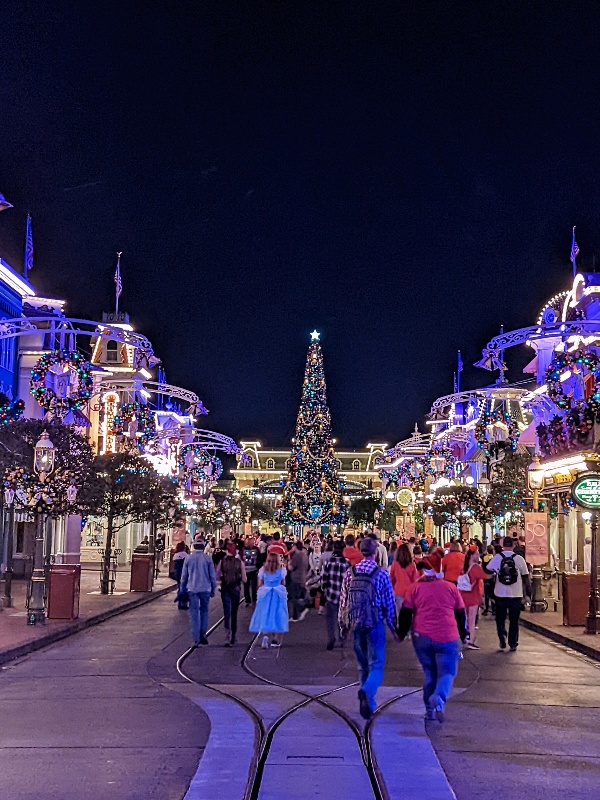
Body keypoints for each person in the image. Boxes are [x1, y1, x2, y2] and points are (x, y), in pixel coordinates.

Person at [397, 551, 467, 722]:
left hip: (422, 636)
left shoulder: (414, 588)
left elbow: (405, 614)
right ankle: (439, 698)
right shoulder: (450, 588)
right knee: (448, 672)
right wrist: (464, 634)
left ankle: (429, 710)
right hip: (447, 637)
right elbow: (460, 614)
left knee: (430, 673)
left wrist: (401, 633)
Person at [339, 537, 397, 720]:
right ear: (375, 552)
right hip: (375, 623)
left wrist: (343, 625)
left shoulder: (350, 572)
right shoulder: (381, 574)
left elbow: (344, 601)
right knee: (377, 664)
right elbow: (389, 604)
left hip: (356, 623)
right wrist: (394, 628)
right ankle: (367, 692)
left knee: (362, 666)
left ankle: (368, 702)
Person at [484, 536, 530, 651]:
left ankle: (502, 636)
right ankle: (513, 642)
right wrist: (527, 594)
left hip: (500, 593)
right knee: (514, 620)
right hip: (516, 594)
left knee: (500, 617)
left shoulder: (498, 557)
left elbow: (488, 569)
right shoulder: (519, 559)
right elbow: (526, 577)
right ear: (513, 545)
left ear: (503, 545)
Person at [180, 539, 217, 646]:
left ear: (194, 547)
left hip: (192, 589)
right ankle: (203, 634)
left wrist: (182, 588)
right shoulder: (208, 559)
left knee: (194, 613)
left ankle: (195, 638)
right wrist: (213, 588)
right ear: (203, 546)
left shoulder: (189, 559)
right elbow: (212, 576)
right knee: (204, 611)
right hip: (205, 588)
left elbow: (184, 576)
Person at [249, 552, 289, 648]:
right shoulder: (281, 571)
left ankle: (265, 637)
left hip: (265, 593)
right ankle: (275, 638)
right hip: (277, 594)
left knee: (265, 614)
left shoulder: (263, 570)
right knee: (276, 615)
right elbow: (283, 583)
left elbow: (259, 584)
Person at [321, 539, 350, 650]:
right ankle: (341, 638)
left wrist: (324, 590)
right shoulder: (346, 563)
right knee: (342, 619)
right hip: (343, 596)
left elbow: (324, 578)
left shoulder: (329, 562)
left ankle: (331, 638)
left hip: (331, 595)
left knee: (330, 619)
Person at [217, 541, 247, 646]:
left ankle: (227, 636)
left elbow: (218, 575)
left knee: (227, 613)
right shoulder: (240, 562)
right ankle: (233, 636)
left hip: (225, 589)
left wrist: (220, 583)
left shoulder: (222, 561)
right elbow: (244, 579)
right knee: (234, 613)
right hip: (236, 589)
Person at [457, 549, 487, 649]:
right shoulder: (475, 567)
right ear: (472, 556)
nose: (479, 555)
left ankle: (464, 637)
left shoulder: (464, 567)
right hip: (473, 595)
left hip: (463, 595)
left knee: (464, 619)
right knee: (472, 619)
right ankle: (471, 639)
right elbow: (485, 576)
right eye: (477, 554)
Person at [390, 542, 418, 614]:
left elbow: (392, 578)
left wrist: (393, 588)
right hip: (410, 592)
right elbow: (415, 580)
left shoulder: (395, 564)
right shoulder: (412, 564)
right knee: (410, 614)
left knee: (399, 613)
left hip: (398, 591)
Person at [288, 539, 309, 621]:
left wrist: (289, 562)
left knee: (292, 596)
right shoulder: (304, 555)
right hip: (302, 578)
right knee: (296, 596)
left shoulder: (297, 555)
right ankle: (295, 616)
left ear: (295, 546)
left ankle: (302, 607)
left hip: (296, 578)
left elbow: (291, 567)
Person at [242, 537, 260, 606]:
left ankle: (249, 600)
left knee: (248, 586)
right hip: (251, 570)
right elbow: (259, 559)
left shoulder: (243, 550)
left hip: (249, 570)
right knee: (251, 586)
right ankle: (252, 600)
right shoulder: (256, 549)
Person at [172, 541, 189, 610]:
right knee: (184, 588)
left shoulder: (175, 555)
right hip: (183, 573)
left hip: (177, 573)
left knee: (180, 587)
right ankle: (183, 603)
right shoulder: (185, 555)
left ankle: (179, 602)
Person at [481, 545, 496, 616]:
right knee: (493, 594)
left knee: (486, 595)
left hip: (485, 578)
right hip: (492, 578)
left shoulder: (484, 558)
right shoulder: (493, 558)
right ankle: (493, 610)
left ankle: (486, 609)